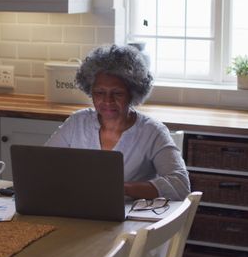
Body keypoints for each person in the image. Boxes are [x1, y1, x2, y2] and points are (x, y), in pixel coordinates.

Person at [45, 45, 191, 201]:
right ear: (90, 91)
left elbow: (180, 185)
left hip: (130, 220)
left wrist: (121, 188)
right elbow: (42, 164)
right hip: (78, 210)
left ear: (133, 93)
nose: (107, 100)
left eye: (117, 93)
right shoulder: (77, 123)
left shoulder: (152, 131)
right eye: (99, 92)